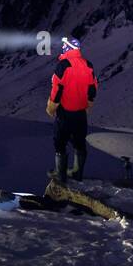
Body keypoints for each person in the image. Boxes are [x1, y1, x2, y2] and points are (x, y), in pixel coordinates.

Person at [45, 36, 98, 182]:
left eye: (64, 45)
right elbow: (93, 89)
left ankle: (60, 176)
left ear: (68, 48)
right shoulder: (88, 65)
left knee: (60, 142)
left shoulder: (63, 65)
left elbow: (57, 90)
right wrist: (87, 106)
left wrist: (51, 107)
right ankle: (77, 173)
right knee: (79, 143)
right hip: (81, 113)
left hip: (65, 113)